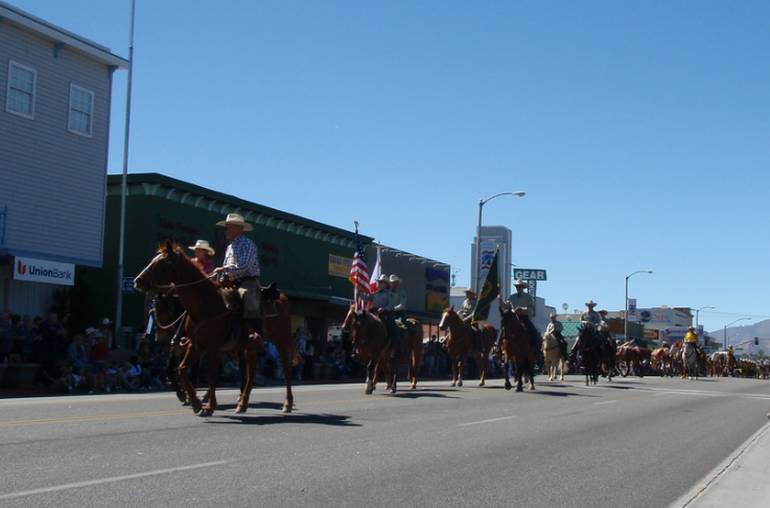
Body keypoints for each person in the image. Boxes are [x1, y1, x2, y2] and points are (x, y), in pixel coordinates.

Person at [212, 213, 261, 339]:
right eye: (226, 227)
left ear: (238, 229)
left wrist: (224, 269)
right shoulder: (229, 247)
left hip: (247, 281)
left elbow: (245, 266)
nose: (225, 230)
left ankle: (253, 332)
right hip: (230, 281)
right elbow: (226, 266)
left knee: (245, 295)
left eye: (227, 227)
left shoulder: (248, 244)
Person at [507, 279, 540, 350]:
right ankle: (499, 350)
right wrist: (500, 300)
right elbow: (506, 306)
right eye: (517, 286)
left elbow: (531, 309)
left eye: (520, 286)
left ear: (523, 287)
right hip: (514, 318)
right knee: (504, 330)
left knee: (534, 331)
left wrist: (522, 309)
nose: (518, 288)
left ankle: (535, 349)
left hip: (524, 318)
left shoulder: (528, 297)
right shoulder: (511, 297)